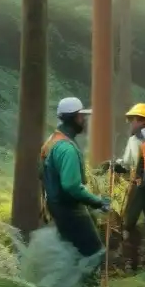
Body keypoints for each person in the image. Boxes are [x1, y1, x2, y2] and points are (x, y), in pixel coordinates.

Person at [41, 97, 109, 256]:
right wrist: (99, 202)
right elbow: (71, 186)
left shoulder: (51, 141)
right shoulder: (67, 149)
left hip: (55, 206)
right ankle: (89, 282)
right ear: (76, 118)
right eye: (82, 117)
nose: (84, 121)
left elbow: (41, 174)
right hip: (70, 209)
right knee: (95, 254)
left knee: (72, 252)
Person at [110, 104, 145, 270]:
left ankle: (130, 261)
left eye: (132, 120)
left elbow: (126, 164)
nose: (131, 124)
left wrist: (114, 165)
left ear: (140, 121)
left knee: (129, 224)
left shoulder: (134, 140)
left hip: (139, 187)